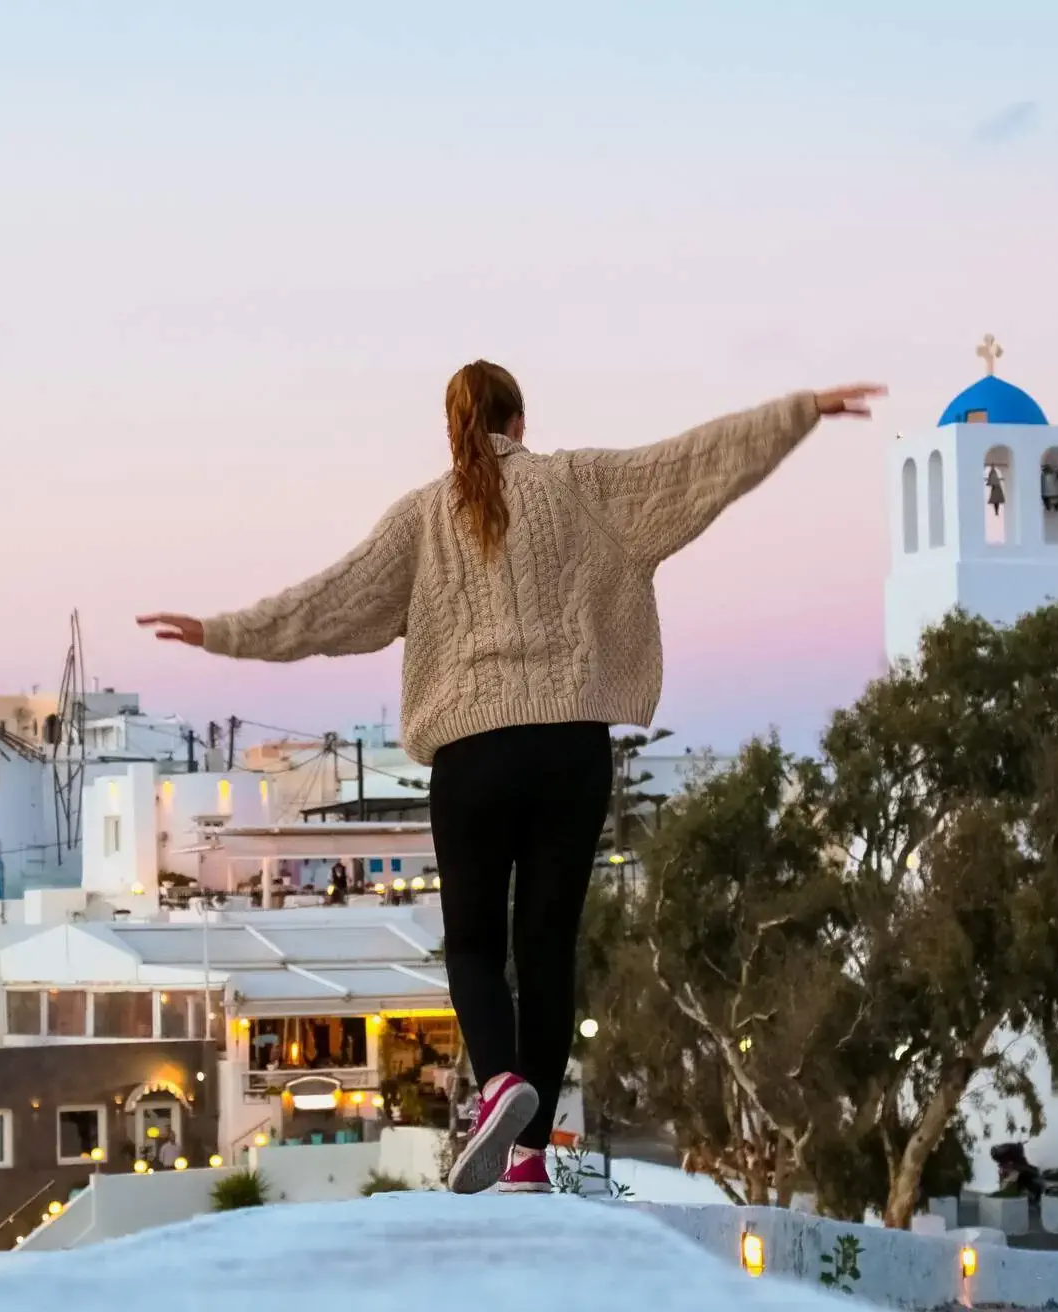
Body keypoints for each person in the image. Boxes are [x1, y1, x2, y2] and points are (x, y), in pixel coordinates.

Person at [139, 361, 881, 1195]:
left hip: (474, 759)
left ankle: (499, 1090)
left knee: (476, 946)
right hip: (571, 753)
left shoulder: (421, 517)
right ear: (520, 422)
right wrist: (799, 411)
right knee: (547, 950)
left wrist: (220, 632)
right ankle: (526, 1155)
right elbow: (694, 461)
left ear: (451, 428)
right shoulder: (581, 485)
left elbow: (325, 603)